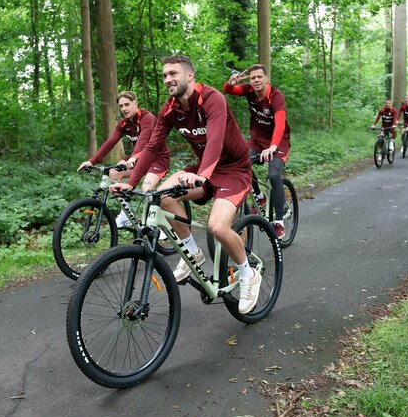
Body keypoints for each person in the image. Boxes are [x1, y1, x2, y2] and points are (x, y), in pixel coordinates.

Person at [110, 55, 261, 314]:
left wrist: (203, 173)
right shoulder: (170, 108)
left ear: (190, 75)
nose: (168, 79)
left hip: (233, 169)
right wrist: (131, 182)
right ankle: (192, 251)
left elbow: (214, 139)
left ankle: (248, 274)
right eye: (165, 75)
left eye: (173, 74)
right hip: (203, 169)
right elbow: (152, 146)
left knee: (217, 226)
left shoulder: (213, 99)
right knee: (162, 196)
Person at [77, 91, 169, 228]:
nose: (124, 109)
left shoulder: (147, 118)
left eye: (127, 104)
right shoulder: (124, 123)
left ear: (135, 104)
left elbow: (143, 142)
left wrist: (132, 157)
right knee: (114, 173)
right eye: (121, 106)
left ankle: (160, 225)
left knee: (147, 188)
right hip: (138, 158)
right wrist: (92, 161)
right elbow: (111, 142)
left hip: (157, 159)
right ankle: (126, 214)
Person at [223, 64, 291, 239]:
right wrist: (231, 83)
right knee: (242, 164)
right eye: (253, 78)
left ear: (266, 79)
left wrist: (273, 147)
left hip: (279, 141)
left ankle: (278, 221)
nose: (256, 80)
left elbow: (280, 124)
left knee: (274, 174)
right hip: (258, 140)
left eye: (259, 77)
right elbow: (228, 90)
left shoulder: (276, 96)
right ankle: (259, 196)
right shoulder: (249, 90)